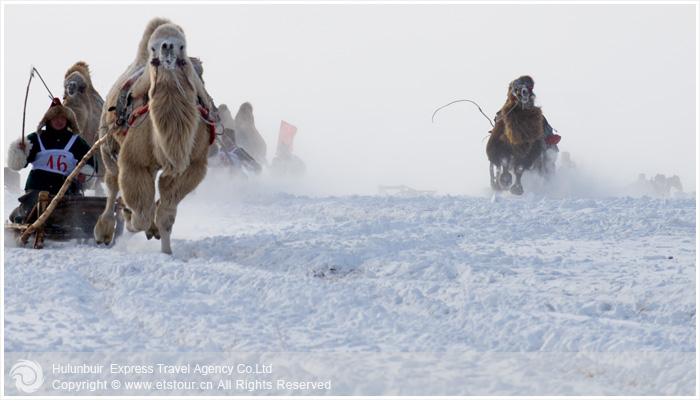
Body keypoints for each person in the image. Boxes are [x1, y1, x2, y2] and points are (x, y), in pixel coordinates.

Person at [7, 98, 97, 223]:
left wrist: (84, 176)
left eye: (62, 118)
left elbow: (91, 161)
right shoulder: (36, 138)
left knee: (76, 215)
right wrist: (20, 151)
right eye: (55, 118)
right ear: (48, 120)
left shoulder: (77, 142)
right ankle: (20, 213)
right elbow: (18, 163)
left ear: (68, 121)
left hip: (66, 189)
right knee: (32, 209)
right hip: (38, 187)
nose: (59, 121)